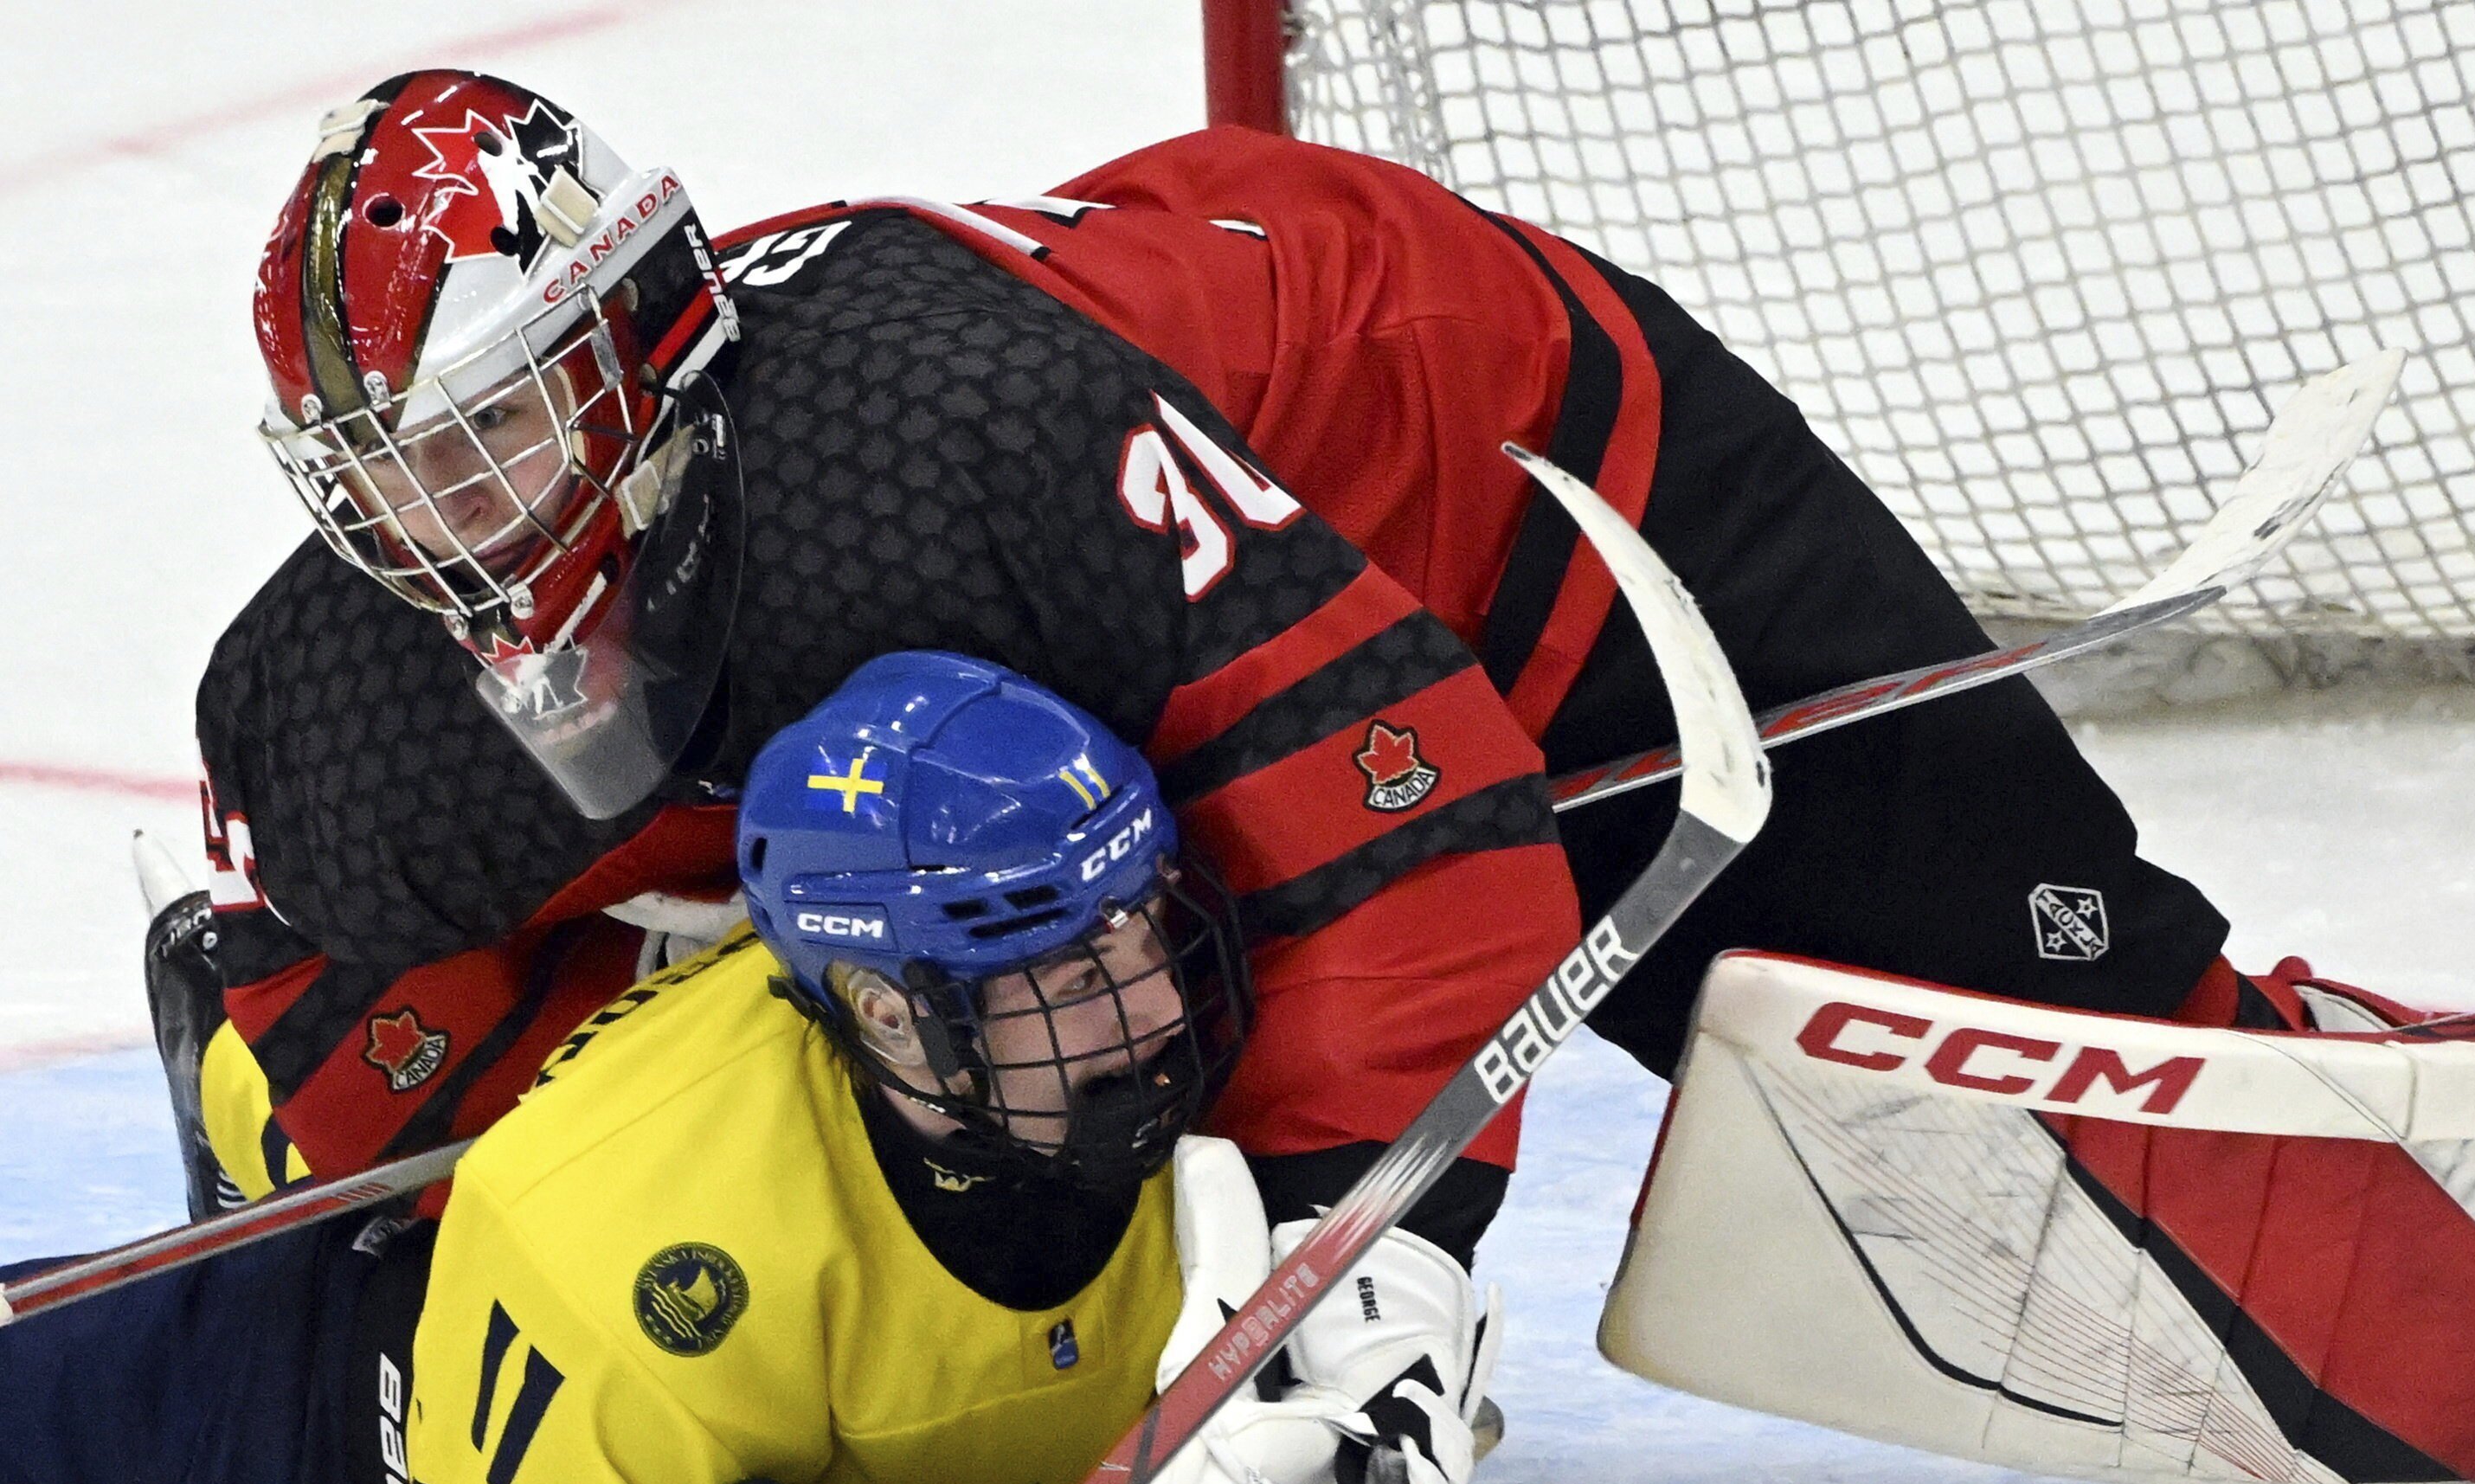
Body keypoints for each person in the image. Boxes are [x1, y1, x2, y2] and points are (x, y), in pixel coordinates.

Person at [180, 67, 2302, 1270]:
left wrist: (1350, 1312)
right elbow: (318, 938)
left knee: (2058, 1053)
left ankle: (2262, 1068)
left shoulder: (958, 451)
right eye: (378, 473)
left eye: (493, 433)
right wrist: (348, 1199)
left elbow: (1432, 855)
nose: (440, 528)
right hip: (1139, 587)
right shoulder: (347, 683)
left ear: (636, 338)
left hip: (1500, 469)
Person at [5, 658, 1621, 1484]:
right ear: (892, 1020)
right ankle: (242, 1074)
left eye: (1141, 932)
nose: (1145, 1012)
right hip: (371, 1383)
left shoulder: (1222, 1098)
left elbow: (1269, 1454)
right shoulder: (610, 1228)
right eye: (1065, 976)